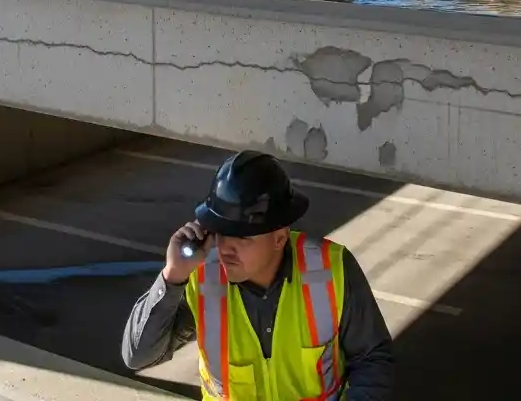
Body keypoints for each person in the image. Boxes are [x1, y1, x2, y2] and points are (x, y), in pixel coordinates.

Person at [121, 150, 395, 400]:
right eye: (220, 231)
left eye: (242, 237)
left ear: (279, 238)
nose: (225, 247)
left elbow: (372, 359)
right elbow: (138, 356)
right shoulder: (201, 277)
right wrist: (172, 277)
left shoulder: (331, 268)